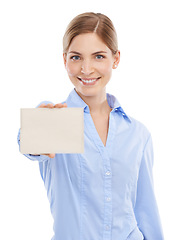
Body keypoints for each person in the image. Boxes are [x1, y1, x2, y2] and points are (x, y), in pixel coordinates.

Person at [17, 12, 164, 240]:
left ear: (115, 59)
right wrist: (34, 134)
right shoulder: (55, 117)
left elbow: (146, 210)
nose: (86, 69)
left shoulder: (138, 134)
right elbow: (28, 144)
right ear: (64, 59)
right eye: (76, 57)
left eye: (98, 56)